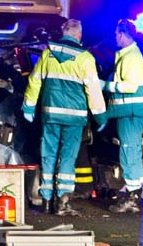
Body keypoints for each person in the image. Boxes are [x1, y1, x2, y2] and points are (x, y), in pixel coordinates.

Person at [22, 19, 106, 216]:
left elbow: (35, 82)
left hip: (50, 113)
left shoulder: (48, 53)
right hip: (74, 117)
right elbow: (93, 90)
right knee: (68, 157)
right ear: (78, 35)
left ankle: (46, 201)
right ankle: (63, 202)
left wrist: (29, 106)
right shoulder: (85, 58)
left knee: (48, 155)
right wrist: (101, 117)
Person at [97, 19, 143, 214]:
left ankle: (132, 198)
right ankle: (133, 195)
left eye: (116, 34)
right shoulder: (128, 56)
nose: (115, 38)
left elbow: (130, 87)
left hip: (130, 113)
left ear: (122, 34)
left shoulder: (131, 57)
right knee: (130, 154)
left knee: (129, 154)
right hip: (129, 112)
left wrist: (105, 85)